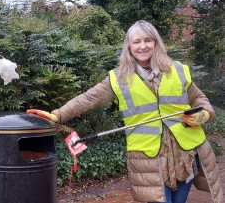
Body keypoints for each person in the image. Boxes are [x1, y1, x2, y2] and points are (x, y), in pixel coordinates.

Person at [28, 20, 223, 203]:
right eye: (136, 41)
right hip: (148, 158)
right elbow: (88, 99)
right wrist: (58, 115)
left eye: (148, 40)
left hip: (186, 153)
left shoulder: (178, 70)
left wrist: (204, 114)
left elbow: (201, 100)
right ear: (129, 46)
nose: (143, 46)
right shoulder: (118, 78)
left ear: (156, 43)